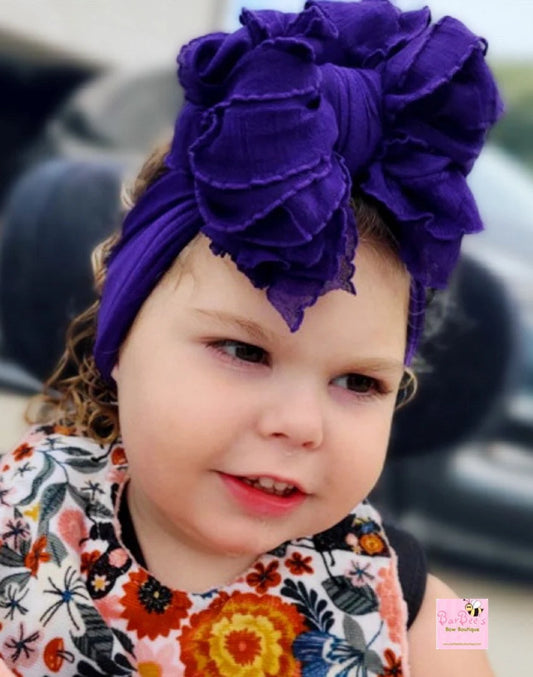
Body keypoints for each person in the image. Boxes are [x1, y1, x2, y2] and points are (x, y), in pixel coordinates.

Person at [0, 1, 501, 675]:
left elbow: (469, 632)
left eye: (359, 381)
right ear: (119, 343)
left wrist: (463, 639)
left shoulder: (412, 595)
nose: (300, 425)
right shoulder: (25, 507)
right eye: (243, 351)